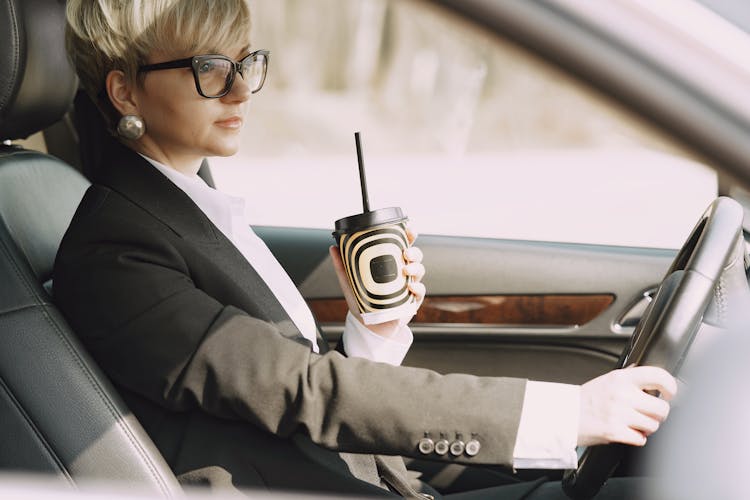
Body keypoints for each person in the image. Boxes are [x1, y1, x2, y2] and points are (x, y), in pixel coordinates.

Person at [55, 0, 677, 498]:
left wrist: (374, 329)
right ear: (125, 91)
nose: (241, 89)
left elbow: (290, 395)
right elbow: (303, 391)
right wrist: (566, 415)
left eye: (248, 63)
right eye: (209, 68)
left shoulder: (190, 205)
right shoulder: (117, 251)